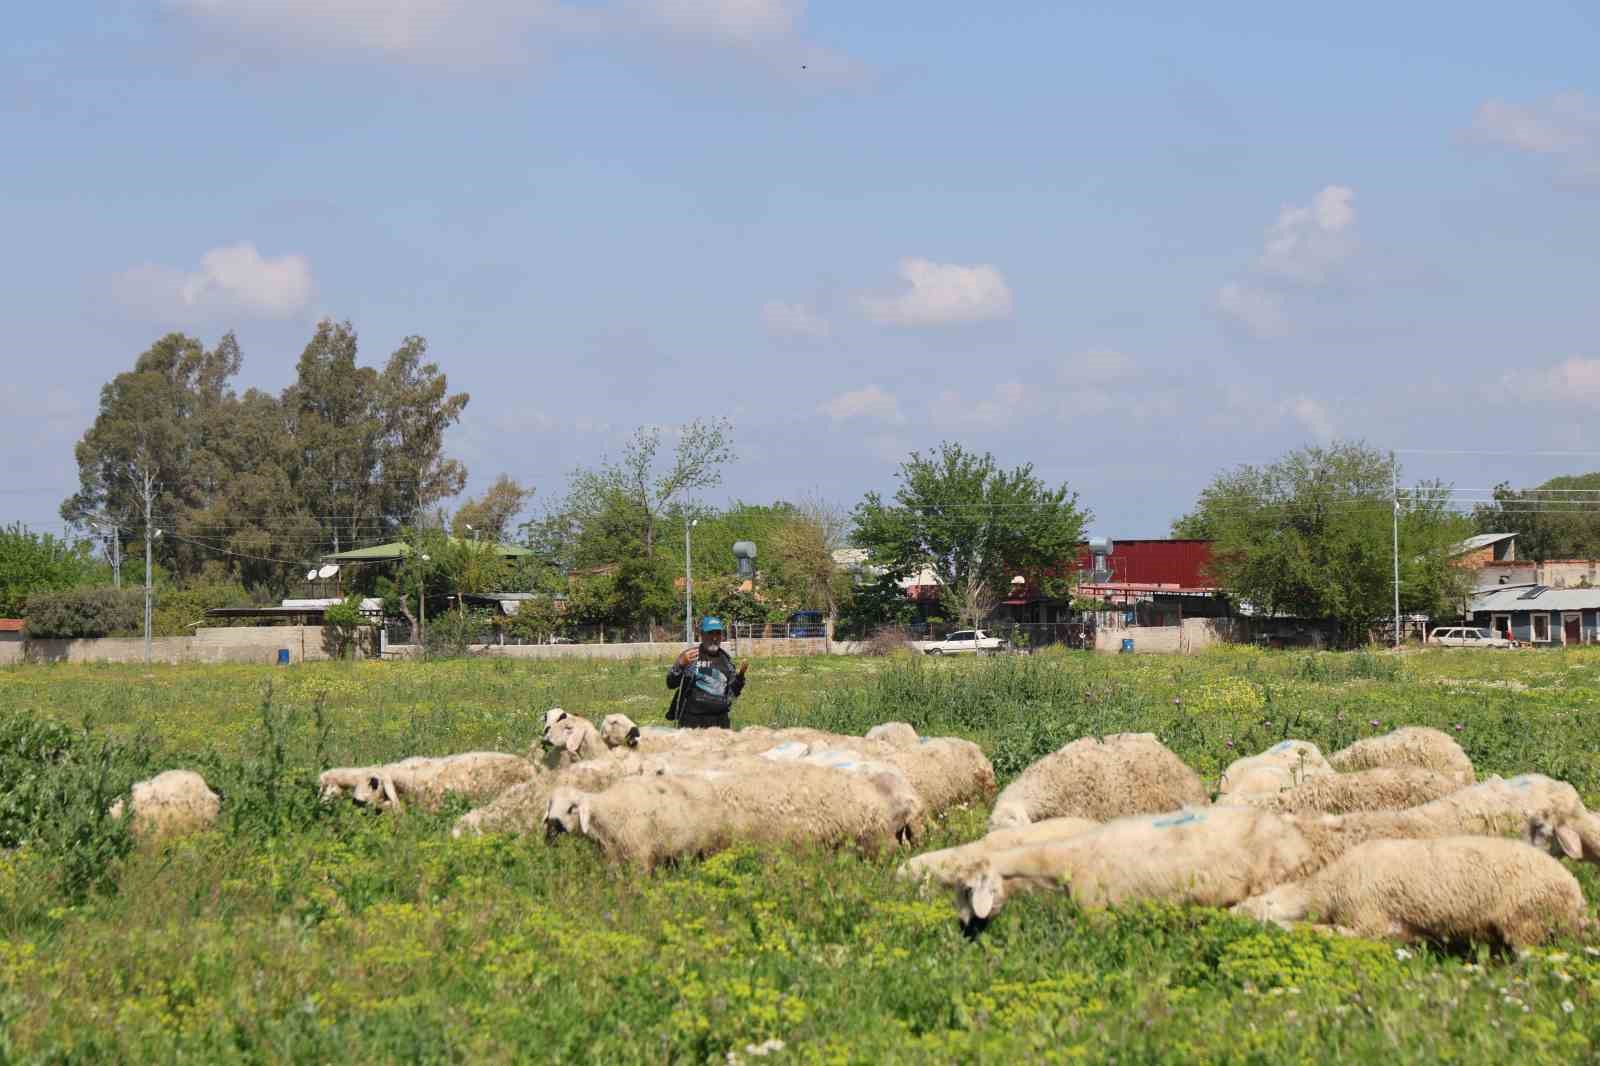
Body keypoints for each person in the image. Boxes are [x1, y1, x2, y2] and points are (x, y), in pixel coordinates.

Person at [666, 616, 747, 729]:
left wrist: (740, 678)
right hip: (691, 723)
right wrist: (681, 665)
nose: (714, 638)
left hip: (720, 723)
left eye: (718, 633)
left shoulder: (726, 661)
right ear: (702, 635)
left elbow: (732, 694)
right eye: (710, 633)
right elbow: (670, 683)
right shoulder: (690, 656)